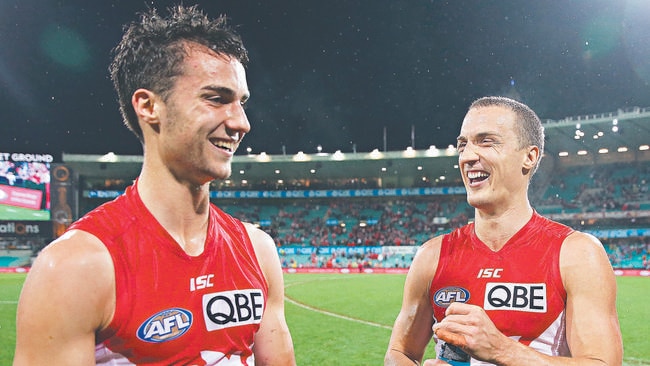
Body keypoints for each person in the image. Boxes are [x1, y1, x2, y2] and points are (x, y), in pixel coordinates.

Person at [14, 5, 295, 365]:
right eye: (216, 99)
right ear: (149, 106)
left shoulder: (258, 251)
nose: (241, 123)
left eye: (241, 103)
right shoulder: (76, 267)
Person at [385, 96, 623, 366]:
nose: (468, 156)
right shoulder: (432, 255)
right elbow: (398, 353)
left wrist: (503, 351)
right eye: (463, 145)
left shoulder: (577, 254)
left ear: (530, 156)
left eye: (487, 141)